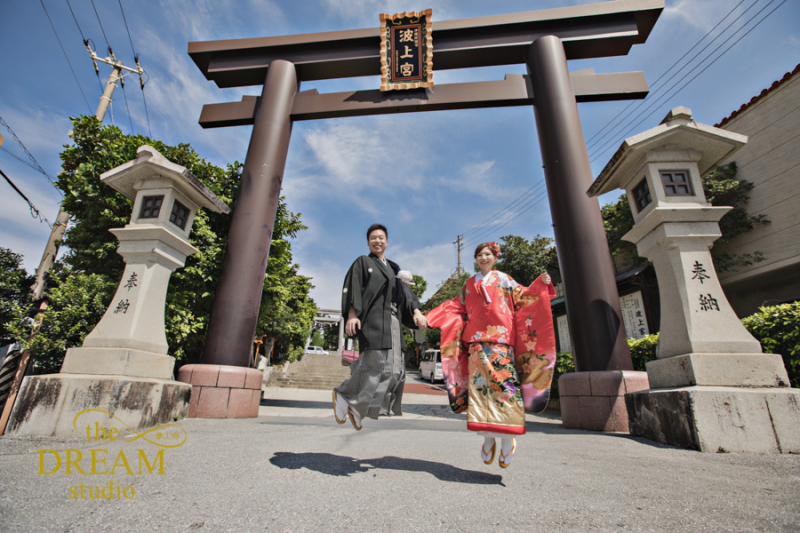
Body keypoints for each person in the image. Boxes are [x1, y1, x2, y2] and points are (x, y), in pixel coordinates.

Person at [423, 241, 555, 468]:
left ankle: (507, 438)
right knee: (481, 393)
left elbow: (526, 297)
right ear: (476, 259)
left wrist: (542, 284)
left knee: (506, 390)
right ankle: (487, 438)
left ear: (495, 257)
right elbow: (454, 306)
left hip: (501, 344)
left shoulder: (504, 279)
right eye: (479, 255)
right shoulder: (469, 284)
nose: (483, 258)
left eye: (487, 254)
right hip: (476, 345)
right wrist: (429, 318)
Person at [333, 224, 427, 430]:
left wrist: (416, 311)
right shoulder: (363, 262)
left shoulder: (394, 268)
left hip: (393, 321)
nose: (377, 241)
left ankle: (357, 408)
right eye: (373, 238)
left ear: (387, 242)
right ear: (368, 243)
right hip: (372, 320)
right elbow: (353, 287)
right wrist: (352, 315)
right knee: (376, 363)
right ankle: (344, 394)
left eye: (381, 237)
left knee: (395, 370)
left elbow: (406, 294)